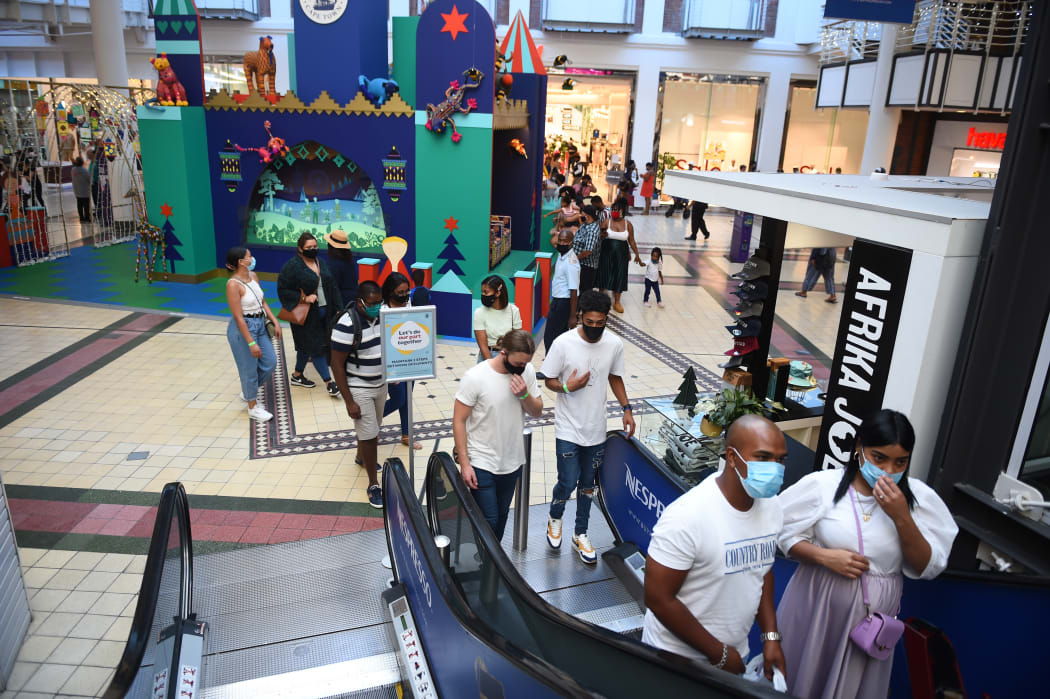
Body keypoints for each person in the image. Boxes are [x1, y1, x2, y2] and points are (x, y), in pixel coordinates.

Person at [775, 410, 958, 699]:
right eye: (879, 458)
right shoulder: (824, 486)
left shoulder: (918, 499)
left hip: (872, 620)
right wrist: (823, 557)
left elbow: (928, 566)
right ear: (859, 448)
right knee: (804, 676)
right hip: (818, 605)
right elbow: (779, 530)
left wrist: (901, 517)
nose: (888, 470)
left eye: (900, 462)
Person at [642, 415, 787, 680]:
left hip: (732, 656)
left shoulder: (773, 507)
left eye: (780, 460)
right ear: (732, 458)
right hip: (675, 661)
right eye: (763, 458)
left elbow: (762, 571)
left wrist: (770, 637)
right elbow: (658, 598)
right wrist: (718, 654)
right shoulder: (688, 516)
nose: (775, 468)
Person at [543, 290, 636, 564]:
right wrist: (567, 386)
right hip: (568, 427)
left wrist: (627, 409)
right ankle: (555, 518)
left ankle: (580, 533)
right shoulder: (563, 343)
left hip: (596, 427)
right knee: (567, 480)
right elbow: (548, 379)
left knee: (587, 486)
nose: (595, 328)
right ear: (580, 316)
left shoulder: (614, 344)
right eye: (590, 322)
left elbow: (615, 377)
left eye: (601, 323)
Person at [454, 329, 544, 540]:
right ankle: (486, 567)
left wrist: (525, 395)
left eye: (526, 363)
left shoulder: (527, 372)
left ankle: (490, 566)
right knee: (489, 522)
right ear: (503, 352)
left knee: (501, 518)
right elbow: (459, 420)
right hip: (482, 461)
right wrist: (465, 464)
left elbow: (537, 411)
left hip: (512, 461)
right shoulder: (476, 377)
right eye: (519, 363)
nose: (522, 368)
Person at [330, 280, 386, 509]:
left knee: (373, 428)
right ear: (360, 303)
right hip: (358, 385)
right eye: (372, 303)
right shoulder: (346, 324)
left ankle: (361, 457)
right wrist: (349, 401)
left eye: (379, 302)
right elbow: (337, 364)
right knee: (370, 434)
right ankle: (373, 485)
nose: (377, 307)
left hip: (381, 384)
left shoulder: (384, 317)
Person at [277, 232, 343, 396]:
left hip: (324, 312)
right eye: (309, 247)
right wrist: (304, 298)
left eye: (315, 246)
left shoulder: (321, 262)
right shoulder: (292, 266)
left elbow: (332, 286)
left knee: (305, 347)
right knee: (317, 348)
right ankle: (330, 383)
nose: (313, 249)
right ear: (300, 249)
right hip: (306, 315)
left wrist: (339, 307)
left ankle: (297, 375)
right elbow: (282, 289)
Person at [224, 247, 280, 422]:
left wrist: (275, 321)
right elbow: (238, 317)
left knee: (270, 362)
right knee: (248, 369)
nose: (252, 258)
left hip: (260, 323)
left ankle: (248, 390)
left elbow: (262, 301)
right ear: (241, 261)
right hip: (244, 328)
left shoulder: (253, 276)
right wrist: (250, 342)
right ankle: (252, 407)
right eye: (249, 256)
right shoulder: (233, 285)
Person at [381, 273, 421, 451]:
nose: (405, 296)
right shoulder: (382, 311)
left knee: (407, 399)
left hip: (409, 358)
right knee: (399, 399)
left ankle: (406, 435)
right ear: (390, 293)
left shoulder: (409, 304)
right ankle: (369, 424)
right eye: (400, 292)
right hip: (391, 363)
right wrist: (390, 371)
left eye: (407, 291)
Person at [597, 197, 642, 314]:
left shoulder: (628, 225)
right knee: (604, 274)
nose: (614, 211)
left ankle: (617, 301)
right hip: (606, 253)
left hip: (621, 255)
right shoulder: (607, 221)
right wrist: (603, 234)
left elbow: (632, 241)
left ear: (623, 211)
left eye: (617, 209)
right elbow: (599, 236)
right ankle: (601, 299)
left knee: (619, 276)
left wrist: (637, 254)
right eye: (613, 209)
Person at [545, 228, 580, 353]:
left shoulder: (571, 262)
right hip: (558, 300)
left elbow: (574, 290)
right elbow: (552, 241)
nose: (562, 243)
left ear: (571, 243)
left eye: (566, 241)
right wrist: (557, 233)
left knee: (550, 337)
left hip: (564, 303)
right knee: (556, 336)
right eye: (561, 240)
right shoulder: (562, 255)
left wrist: (572, 316)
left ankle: (550, 368)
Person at [473, 275, 521, 362]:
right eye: (482, 292)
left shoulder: (514, 311)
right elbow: (483, 346)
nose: (483, 295)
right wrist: (492, 366)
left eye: (486, 292)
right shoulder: (479, 313)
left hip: (508, 356)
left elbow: (517, 341)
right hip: (487, 356)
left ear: (498, 293)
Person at [324, 229, 358, 306]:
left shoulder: (333, 264)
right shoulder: (348, 259)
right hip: (352, 300)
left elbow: (333, 289)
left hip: (341, 303)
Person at [573, 204, 602, 293]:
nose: (580, 217)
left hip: (586, 267)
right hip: (580, 264)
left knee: (584, 291)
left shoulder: (592, 231)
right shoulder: (586, 224)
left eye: (582, 215)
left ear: (588, 217)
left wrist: (574, 259)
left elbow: (588, 251)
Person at [71, 156, 91, 223]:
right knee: (86, 206)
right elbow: (89, 179)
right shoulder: (84, 170)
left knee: (79, 205)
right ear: (82, 162)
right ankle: (87, 218)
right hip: (85, 191)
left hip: (77, 191)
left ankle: (81, 218)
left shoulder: (73, 170)